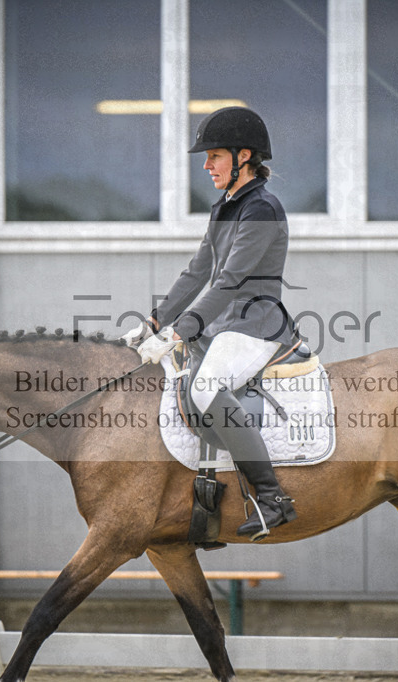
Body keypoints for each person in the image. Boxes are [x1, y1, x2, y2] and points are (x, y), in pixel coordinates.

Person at [121, 106, 297, 541]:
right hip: (224, 326)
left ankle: (273, 498)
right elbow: (198, 272)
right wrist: (155, 320)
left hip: (256, 323)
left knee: (205, 389)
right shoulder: (225, 206)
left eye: (214, 155)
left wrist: (181, 331)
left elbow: (230, 280)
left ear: (244, 156)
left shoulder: (262, 210)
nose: (206, 165)